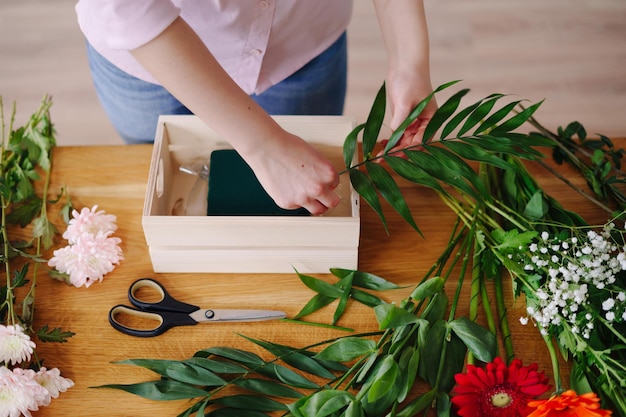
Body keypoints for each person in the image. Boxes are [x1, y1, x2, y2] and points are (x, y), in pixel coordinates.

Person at [75, 1, 437, 215]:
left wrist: (409, 62)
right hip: (148, 58)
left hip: (299, 44)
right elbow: (127, 8)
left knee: (301, 198)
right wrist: (262, 145)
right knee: (155, 171)